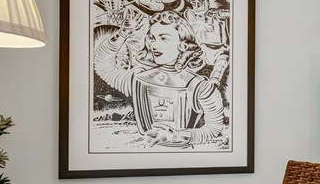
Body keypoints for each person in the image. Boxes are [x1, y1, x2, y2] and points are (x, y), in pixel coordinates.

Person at [94, 11, 226, 148]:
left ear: (183, 43)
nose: (154, 45)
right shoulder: (138, 80)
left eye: (164, 38)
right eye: (152, 38)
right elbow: (102, 66)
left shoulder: (199, 86)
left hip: (185, 159)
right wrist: (123, 33)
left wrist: (175, 136)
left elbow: (214, 129)